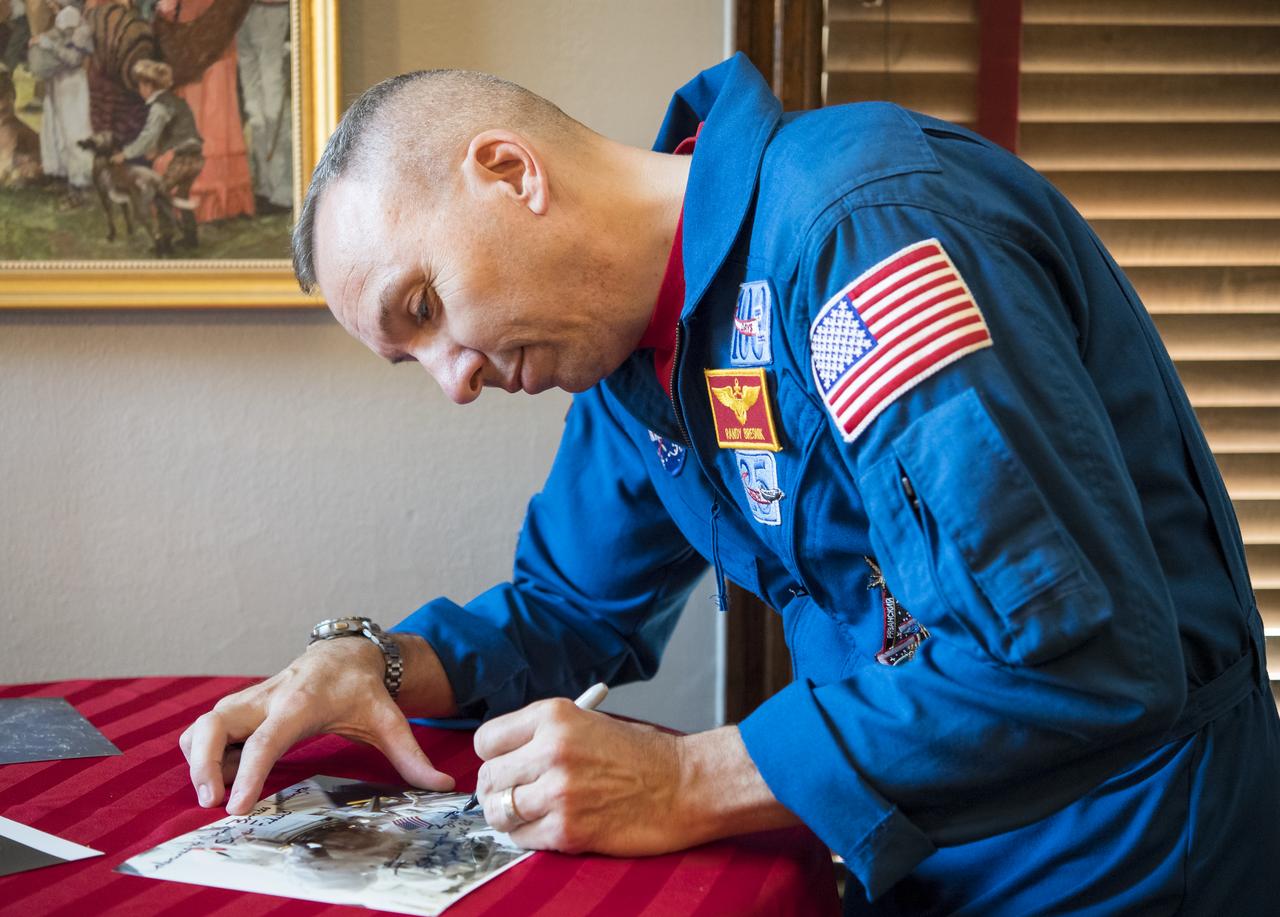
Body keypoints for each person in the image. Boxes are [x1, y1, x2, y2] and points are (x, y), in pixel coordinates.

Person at [179, 57, 1280, 914]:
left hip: (1116, 856)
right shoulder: (626, 356)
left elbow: (1072, 662)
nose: (452, 380)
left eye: (423, 309)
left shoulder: (865, 226)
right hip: (914, 856)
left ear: (510, 172)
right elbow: (567, 609)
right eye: (407, 357)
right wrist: (367, 659)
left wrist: (686, 779)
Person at [115, 57, 201, 249]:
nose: (139, 90)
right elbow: (181, 131)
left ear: (148, 85)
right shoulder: (177, 101)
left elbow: (147, 137)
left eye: (140, 85)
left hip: (183, 159)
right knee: (182, 195)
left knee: (160, 193)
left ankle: (165, 239)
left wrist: (125, 154)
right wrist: (159, 150)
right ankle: (190, 236)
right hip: (196, 158)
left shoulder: (159, 107)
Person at [26, 0, 93, 201]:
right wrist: (43, 40)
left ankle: (80, 186)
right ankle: (67, 181)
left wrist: (47, 44)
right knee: (58, 131)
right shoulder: (63, 16)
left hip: (72, 84)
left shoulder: (70, 15)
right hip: (59, 80)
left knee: (74, 132)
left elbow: (74, 58)